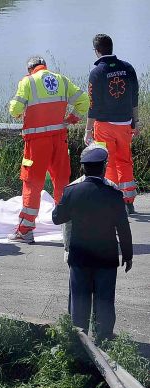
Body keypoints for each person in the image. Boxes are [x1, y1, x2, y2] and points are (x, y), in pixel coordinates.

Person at [52, 144, 132, 343]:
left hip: (79, 256)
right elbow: (123, 228)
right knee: (104, 298)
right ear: (104, 167)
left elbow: (57, 218)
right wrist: (128, 255)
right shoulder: (113, 194)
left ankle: (79, 338)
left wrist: (67, 204)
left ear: (82, 168)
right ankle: (103, 337)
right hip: (106, 256)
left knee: (79, 297)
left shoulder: (72, 191)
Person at [7, 56, 89, 244]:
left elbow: (15, 109)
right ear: (45, 66)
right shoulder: (61, 80)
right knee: (61, 182)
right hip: (59, 139)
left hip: (36, 144)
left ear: (30, 69)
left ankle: (25, 230)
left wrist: (19, 110)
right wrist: (72, 118)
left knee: (32, 184)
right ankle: (69, 228)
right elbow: (84, 101)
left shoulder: (27, 82)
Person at [85, 34, 141, 214]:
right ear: (111, 47)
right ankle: (128, 200)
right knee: (125, 161)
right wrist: (136, 122)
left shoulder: (97, 72)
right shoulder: (127, 68)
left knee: (108, 162)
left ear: (96, 51)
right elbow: (134, 98)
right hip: (125, 124)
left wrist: (87, 130)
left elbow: (93, 105)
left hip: (104, 126)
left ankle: (111, 200)